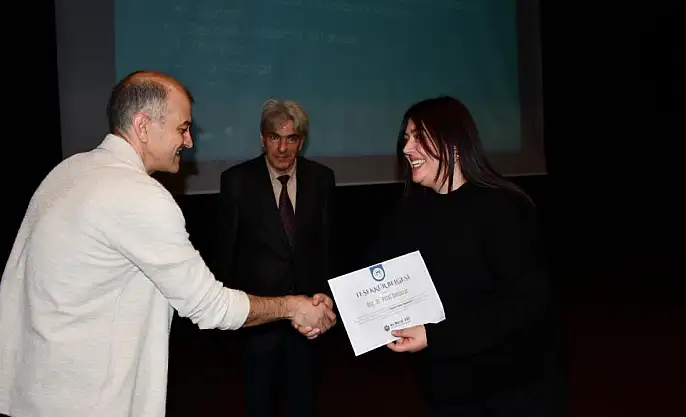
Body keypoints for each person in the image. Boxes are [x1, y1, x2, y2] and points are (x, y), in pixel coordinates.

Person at [0, 71, 335, 417]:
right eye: (182, 128)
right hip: (91, 400)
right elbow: (210, 306)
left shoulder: (67, 171)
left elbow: (13, 283)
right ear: (143, 126)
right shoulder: (140, 196)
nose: (188, 142)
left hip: (34, 392)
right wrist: (293, 306)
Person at [357, 96, 565, 416]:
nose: (407, 148)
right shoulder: (408, 213)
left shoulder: (504, 209)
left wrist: (436, 336)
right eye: (406, 138)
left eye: (419, 137)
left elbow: (524, 305)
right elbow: (370, 276)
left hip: (513, 390)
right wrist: (325, 305)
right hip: (447, 391)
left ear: (453, 143)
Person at [216, 99, 336, 417]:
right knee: (259, 404)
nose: (282, 148)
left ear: (302, 141)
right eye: (274, 137)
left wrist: (326, 300)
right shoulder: (236, 181)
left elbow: (327, 247)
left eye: (291, 138)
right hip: (258, 322)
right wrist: (230, 316)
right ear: (262, 138)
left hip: (308, 321)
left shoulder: (322, 178)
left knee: (304, 403)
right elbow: (225, 254)